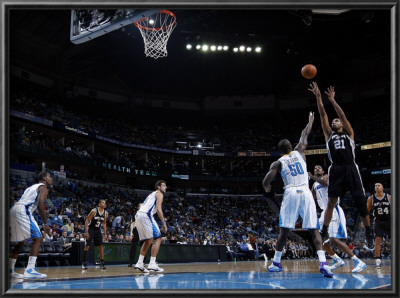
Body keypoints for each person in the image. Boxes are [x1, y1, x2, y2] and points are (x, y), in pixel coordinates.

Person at [262, 112, 333, 278]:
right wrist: (310, 120)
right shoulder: (300, 152)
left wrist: (267, 187)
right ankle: (323, 263)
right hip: (306, 192)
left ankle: (276, 263)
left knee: (284, 230)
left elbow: (266, 179)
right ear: (290, 146)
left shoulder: (278, 162)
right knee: (314, 230)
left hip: (291, 192)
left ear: (280, 151)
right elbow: (304, 134)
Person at [308, 82, 374, 249]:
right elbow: (323, 116)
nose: (334, 122)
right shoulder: (329, 135)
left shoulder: (349, 134)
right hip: (335, 168)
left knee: (360, 200)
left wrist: (332, 100)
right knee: (331, 201)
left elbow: (343, 116)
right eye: (334, 121)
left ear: (342, 125)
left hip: (351, 167)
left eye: (336, 121)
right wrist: (318, 98)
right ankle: (324, 230)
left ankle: (368, 232)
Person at [309, 164, 366, 273]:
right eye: (315, 168)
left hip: (333, 210)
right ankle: (337, 260)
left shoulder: (326, 177)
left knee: (334, 239)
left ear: (323, 170)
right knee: (319, 240)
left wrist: (312, 176)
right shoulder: (315, 184)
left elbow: (326, 184)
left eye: (319, 167)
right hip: (324, 212)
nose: (316, 169)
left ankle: (358, 261)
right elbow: (311, 197)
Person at [9, 171, 53, 279]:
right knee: (38, 238)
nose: (51, 179)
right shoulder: (43, 187)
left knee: (21, 241)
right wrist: (46, 223)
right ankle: (30, 270)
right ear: (44, 178)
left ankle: (9, 269)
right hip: (23, 210)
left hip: (14, 209)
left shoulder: (31, 187)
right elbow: (40, 204)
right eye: (50, 177)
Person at [134, 180, 168, 273]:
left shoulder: (152, 194)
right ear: (158, 187)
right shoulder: (159, 194)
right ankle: (152, 264)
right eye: (164, 185)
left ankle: (140, 263)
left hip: (138, 215)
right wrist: (164, 223)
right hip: (146, 215)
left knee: (148, 240)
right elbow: (158, 209)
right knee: (158, 238)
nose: (166, 187)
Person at [367, 183, 391, 269]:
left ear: (383, 187)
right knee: (377, 239)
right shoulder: (371, 198)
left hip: (389, 219)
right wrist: (364, 221)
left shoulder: (389, 197)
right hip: (378, 221)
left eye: (378, 185)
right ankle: (378, 260)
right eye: (375, 186)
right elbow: (367, 210)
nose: (376, 187)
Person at [82, 199, 108, 270]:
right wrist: (86, 231)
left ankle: (102, 263)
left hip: (98, 230)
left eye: (105, 203)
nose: (104, 204)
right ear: (99, 204)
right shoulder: (94, 211)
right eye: (102, 203)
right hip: (91, 229)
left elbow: (104, 223)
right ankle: (84, 262)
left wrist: (105, 234)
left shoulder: (106, 213)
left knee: (101, 246)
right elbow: (87, 220)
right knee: (88, 246)